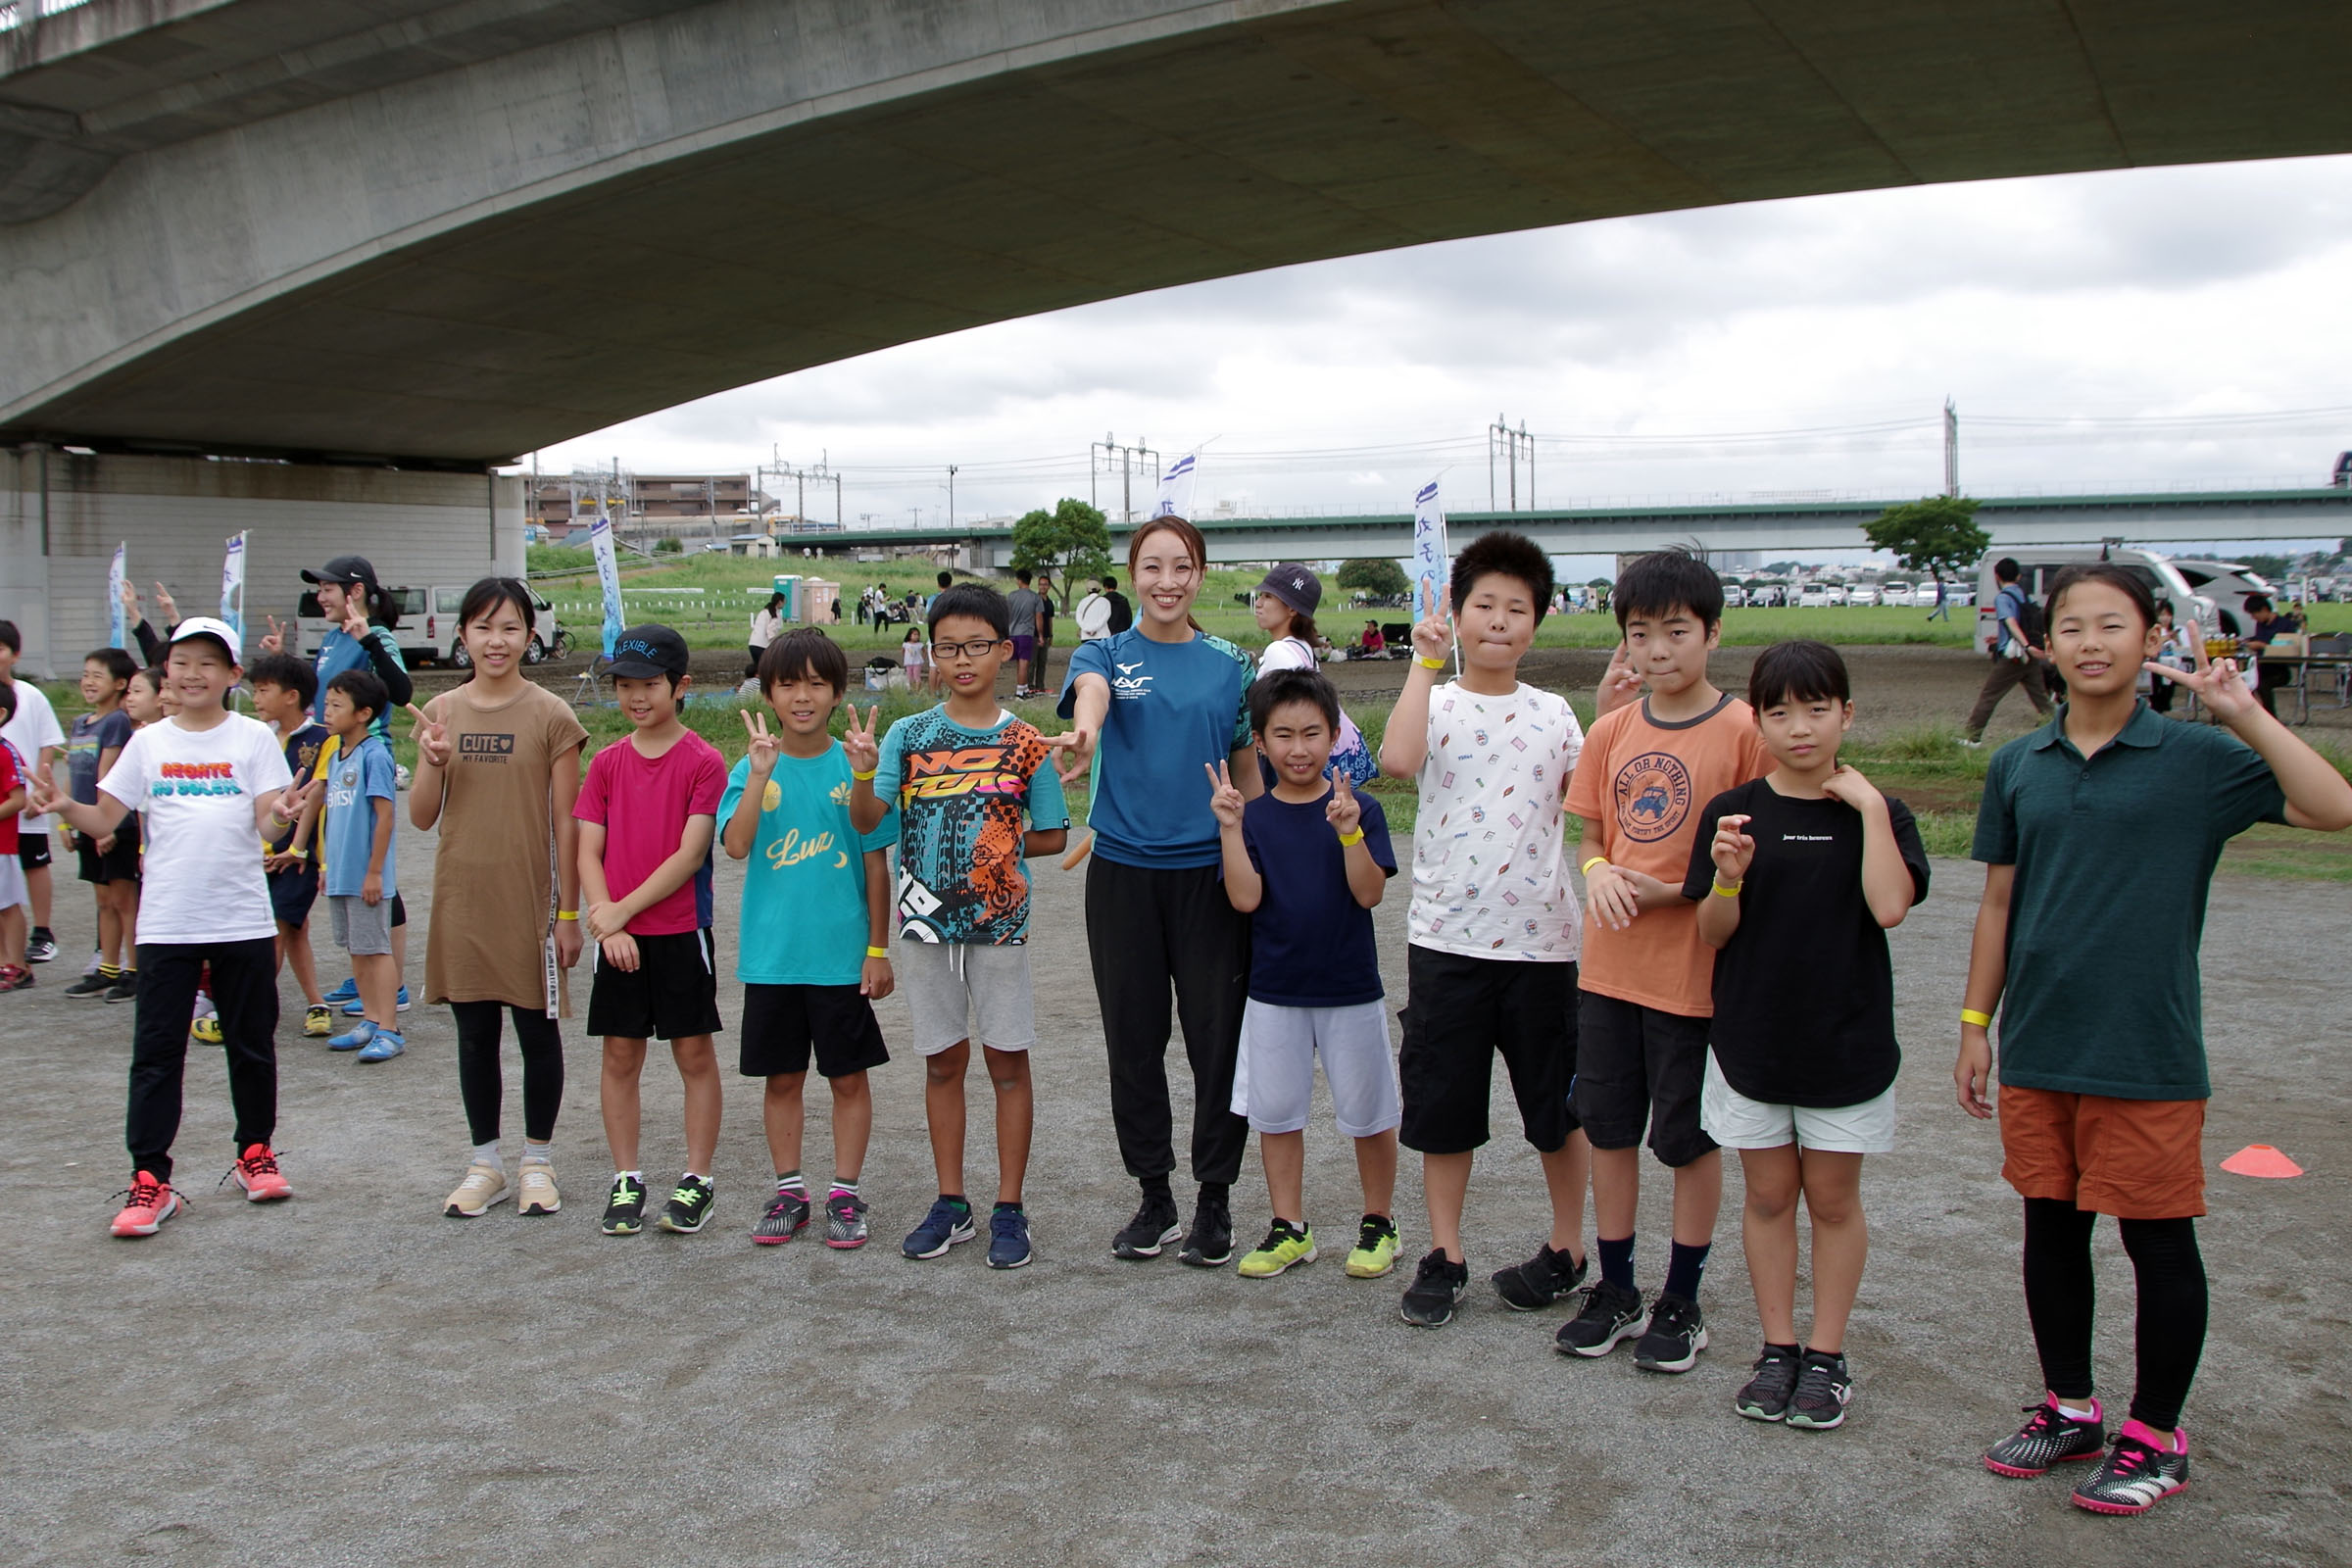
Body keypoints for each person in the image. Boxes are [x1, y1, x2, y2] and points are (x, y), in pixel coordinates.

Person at [1957, 563, 2352, 1515]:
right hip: (2041, 1041)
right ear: (2043, 645)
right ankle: (2070, 1408)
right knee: (2050, 1229)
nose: (2091, 642)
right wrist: (1975, 1023)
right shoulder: (2020, 765)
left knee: (2157, 1239)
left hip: (2146, 1048)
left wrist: (2244, 713)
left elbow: (2333, 807)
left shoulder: (2197, 761)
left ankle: (2156, 1433)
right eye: (2072, 627)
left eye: (2113, 625)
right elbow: (2000, 901)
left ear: (2152, 637)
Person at [1689, 641, 1929, 1429]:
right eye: (1781, 712)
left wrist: (1862, 808)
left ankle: (1827, 1357)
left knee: (1831, 1200)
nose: (1800, 728)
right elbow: (1714, 933)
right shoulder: (1735, 812)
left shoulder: (1881, 813)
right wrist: (1727, 875)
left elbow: (1889, 907)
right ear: (1758, 720)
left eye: (1817, 709)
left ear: (1846, 714)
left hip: (1847, 1043)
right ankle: (1777, 1349)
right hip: (1753, 1040)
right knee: (1766, 1196)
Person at [31, 618, 315, 1235]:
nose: (193, 673)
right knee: (157, 1055)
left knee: (251, 1044)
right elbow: (105, 814)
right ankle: (150, 1180)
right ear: (166, 673)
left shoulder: (251, 739)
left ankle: (254, 1153)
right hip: (165, 925)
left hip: (241, 917)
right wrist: (62, 806)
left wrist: (284, 816)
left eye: (208, 663)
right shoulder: (149, 743)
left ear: (233, 676)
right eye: (182, 662)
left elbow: (267, 824)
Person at [1562, 550, 1772, 1370]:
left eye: (1676, 632)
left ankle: (1681, 1301)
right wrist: (1598, 872)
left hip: (1695, 979)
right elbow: (1588, 836)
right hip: (1608, 972)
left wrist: (1670, 893)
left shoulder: (1747, 733)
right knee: (1608, 1131)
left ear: (1713, 633)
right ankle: (1615, 1287)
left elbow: (1752, 864)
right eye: (1640, 634)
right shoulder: (1611, 731)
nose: (1657, 651)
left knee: (1687, 1141)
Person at [1379, 531, 1593, 1328]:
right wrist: (1421, 662)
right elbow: (1397, 761)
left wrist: (1621, 708)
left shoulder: (1556, 713)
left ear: (1536, 622)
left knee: (1557, 1108)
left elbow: (1590, 795)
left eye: (1518, 609)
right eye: (1485, 606)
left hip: (1543, 943)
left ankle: (1568, 1248)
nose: (1500, 621)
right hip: (1447, 942)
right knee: (1445, 1108)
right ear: (1457, 614)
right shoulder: (1433, 700)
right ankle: (1445, 1253)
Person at [1054, 514, 1261, 1265]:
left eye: (1182, 567)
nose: (1167, 581)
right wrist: (1084, 733)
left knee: (1217, 1038)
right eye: (1152, 567)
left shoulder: (1232, 662)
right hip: (1123, 877)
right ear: (1132, 575)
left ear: (1200, 575)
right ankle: (1155, 1194)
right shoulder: (1104, 651)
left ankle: (1215, 1198)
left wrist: (1269, 854)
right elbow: (1091, 695)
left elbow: (1248, 766)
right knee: (1133, 1042)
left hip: (1209, 875)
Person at [853, 586, 1067, 1269]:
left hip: (1000, 923)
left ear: (1006, 650)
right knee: (943, 1062)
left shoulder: (1025, 741)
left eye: (978, 645)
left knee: (1007, 1062)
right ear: (931, 654)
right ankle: (951, 1203)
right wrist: (861, 775)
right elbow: (868, 822)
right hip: (923, 927)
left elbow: (1054, 834)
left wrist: (999, 848)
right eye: (948, 647)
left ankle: (1010, 1207)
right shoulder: (906, 737)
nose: (963, 659)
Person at [1210, 668, 1400, 1280]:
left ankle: (1379, 1223)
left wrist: (1348, 835)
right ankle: (1289, 1226)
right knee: (1276, 1112)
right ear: (1260, 743)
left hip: (1349, 988)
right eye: (1284, 735)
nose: (1300, 749)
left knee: (1369, 1113)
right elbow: (1244, 900)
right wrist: (1231, 829)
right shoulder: (1256, 817)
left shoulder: (1359, 808)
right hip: (1275, 991)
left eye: (1313, 733)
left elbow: (1369, 894)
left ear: (1335, 735)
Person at [410, 578, 589, 1221]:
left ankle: (537, 1159)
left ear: (529, 635)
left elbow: (569, 821)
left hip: (531, 904)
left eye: (510, 627)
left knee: (537, 1033)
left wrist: (570, 913)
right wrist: (432, 760)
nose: (497, 640)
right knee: (473, 1035)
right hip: (463, 900)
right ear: (463, 636)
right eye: (484, 627)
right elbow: (423, 817)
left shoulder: (551, 716)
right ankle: (485, 1161)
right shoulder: (443, 713)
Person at [723, 630, 899, 1250]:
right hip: (773, 959)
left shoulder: (860, 767)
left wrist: (877, 950)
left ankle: (845, 1194)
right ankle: (790, 1190)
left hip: (841, 960)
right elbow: (738, 846)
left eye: (816, 684)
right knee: (782, 1079)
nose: (803, 697)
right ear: (768, 693)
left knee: (849, 1077)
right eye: (788, 684)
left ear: (837, 693)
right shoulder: (751, 768)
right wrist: (756, 777)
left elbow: (876, 864)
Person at [573, 625, 729, 1236]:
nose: (637, 697)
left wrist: (620, 911)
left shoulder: (703, 761)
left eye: (650, 685)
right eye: (625, 686)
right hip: (619, 936)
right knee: (620, 1054)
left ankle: (697, 1180)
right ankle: (627, 1179)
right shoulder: (608, 762)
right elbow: (589, 850)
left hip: (679, 929)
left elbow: (690, 854)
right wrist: (604, 918)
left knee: (693, 1052)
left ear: (680, 686)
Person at [318, 669, 407, 1062]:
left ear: (363, 713)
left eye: (337, 705)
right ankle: (370, 1019)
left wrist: (374, 871)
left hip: (366, 876)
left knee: (376, 948)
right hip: (340, 873)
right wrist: (325, 866)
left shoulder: (375, 755)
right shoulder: (336, 754)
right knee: (356, 948)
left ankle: (390, 1027)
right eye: (327, 703)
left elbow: (384, 817)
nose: (328, 711)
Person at [245, 654, 331, 1037]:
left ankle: (249, 1009)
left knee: (277, 929)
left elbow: (316, 796)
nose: (256, 699)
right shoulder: (256, 737)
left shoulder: (322, 739)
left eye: (264, 691)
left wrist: (297, 848)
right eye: (254, 690)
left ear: (292, 696)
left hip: (300, 856)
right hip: (261, 854)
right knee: (294, 930)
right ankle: (317, 1003)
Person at [59, 648, 142, 1003]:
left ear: (120, 683)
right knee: (103, 898)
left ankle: (135, 970)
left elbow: (106, 776)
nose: (88, 681)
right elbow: (73, 772)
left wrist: (106, 827)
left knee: (124, 899)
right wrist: (66, 822)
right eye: (85, 674)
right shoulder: (81, 723)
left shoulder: (117, 722)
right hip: (88, 824)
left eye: (97, 675)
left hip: (114, 825)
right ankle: (107, 967)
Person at [0, 619, 65, 964]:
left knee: (34, 862)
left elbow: (47, 744)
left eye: (0, 649)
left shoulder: (31, 696)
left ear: (16, 654)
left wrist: (39, 791)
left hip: (25, 801)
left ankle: (42, 933)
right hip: (2, 807)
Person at [1961, 558, 2054, 746]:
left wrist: (2026, 645)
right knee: (2042, 699)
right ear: (2018, 576)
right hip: (2030, 657)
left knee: (1989, 695)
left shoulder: (2003, 598)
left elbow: (2011, 622)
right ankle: (2066, 732)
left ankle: (1972, 739)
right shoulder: (2023, 595)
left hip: (2014, 656)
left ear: (1997, 576)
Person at [0, 682, 27, 993]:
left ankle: (17, 965)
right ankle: (4, 961)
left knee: (8, 905)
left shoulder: (6, 752)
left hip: (2, 845)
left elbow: (17, 798)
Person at [1251, 563, 1323, 678]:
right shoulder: (1303, 648)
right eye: (1261, 595)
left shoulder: (1279, 651)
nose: (1258, 603)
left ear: (1292, 609)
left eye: (1268, 596)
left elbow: (1291, 695)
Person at [2240, 592, 2303, 717]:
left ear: (2264, 610)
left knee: (2262, 684)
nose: (2253, 618)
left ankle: (2271, 717)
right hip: (2261, 667)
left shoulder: (2285, 625)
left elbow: (2289, 647)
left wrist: (2262, 646)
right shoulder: (2260, 625)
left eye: (2254, 614)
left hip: (2279, 670)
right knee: (2243, 680)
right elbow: (2258, 638)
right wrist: (2246, 641)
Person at [2144, 601, 2191, 715]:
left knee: (2170, 675)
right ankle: (2157, 705)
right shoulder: (2153, 631)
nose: (2165, 618)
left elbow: (2185, 649)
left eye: (2168, 615)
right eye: (2162, 615)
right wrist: (2165, 638)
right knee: (2154, 675)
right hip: (2156, 663)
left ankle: (2163, 704)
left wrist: (2176, 639)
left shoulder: (2179, 630)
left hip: (2174, 663)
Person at [1005, 569, 1044, 699]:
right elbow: (1038, 617)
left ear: (1019, 580)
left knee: (1018, 662)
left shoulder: (1011, 596)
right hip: (1026, 633)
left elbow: (1006, 615)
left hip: (1012, 633)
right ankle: (1020, 690)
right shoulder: (1034, 597)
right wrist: (1041, 635)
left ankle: (1024, 686)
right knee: (1024, 662)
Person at [749, 590, 786, 681]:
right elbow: (771, 633)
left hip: (752, 643)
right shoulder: (775, 614)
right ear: (780, 602)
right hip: (762, 645)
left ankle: (752, 688)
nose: (785, 604)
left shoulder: (764, 611)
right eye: (784, 601)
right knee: (766, 670)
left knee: (758, 669)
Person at [1076, 577, 1113, 642]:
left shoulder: (1082, 602)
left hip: (1086, 636)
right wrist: (1094, 629)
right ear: (1099, 590)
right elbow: (1105, 618)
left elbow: (1078, 618)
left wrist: (1087, 629)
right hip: (1102, 635)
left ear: (1087, 590)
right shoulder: (1105, 601)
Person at [900, 625, 927, 691]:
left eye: (918, 635)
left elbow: (924, 651)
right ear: (910, 635)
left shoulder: (920, 644)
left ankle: (917, 691)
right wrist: (904, 658)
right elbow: (902, 651)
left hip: (917, 662)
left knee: (917, 676)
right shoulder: (906, 644)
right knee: (910, 677)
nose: (916, 636)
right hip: (908, 663)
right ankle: (912, 689)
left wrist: (922, 659)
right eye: (914, 634)